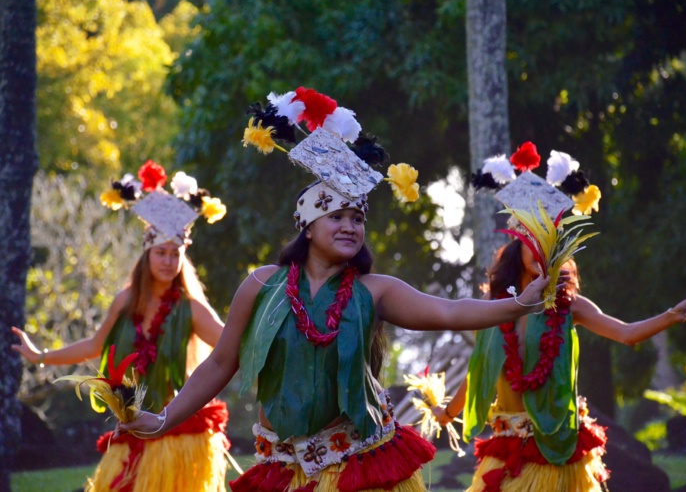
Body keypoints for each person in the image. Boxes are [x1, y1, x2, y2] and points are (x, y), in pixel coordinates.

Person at [121, 88, 562, 492]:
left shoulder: (375, 290)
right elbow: (220, 362)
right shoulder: (260, 285)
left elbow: (448, 312)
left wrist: (519, 304)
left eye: (358, 219)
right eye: (337, 217)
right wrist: (162, 420)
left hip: (358, 465)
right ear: (308, 227)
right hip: (283, 466)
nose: (350, 226)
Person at [432, 146, 686, 492]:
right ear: (520, 245)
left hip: (558, 453)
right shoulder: (496, 305)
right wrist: (448, 412)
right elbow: (480, 368)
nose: (544, 251)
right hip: (506, 452)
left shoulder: (570, 306)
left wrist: (671, 315)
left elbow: (627, 334)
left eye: (553, 242)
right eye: (536, 240)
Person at [12, 161, 230, 492]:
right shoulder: (125, 302)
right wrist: (41, 356)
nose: (169, 261)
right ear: (147, 254)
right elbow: (94, 346)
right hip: (132, 426)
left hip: (179, 427)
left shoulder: (190, 309)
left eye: (175, 254)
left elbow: (230, 347)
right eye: (161, 253)